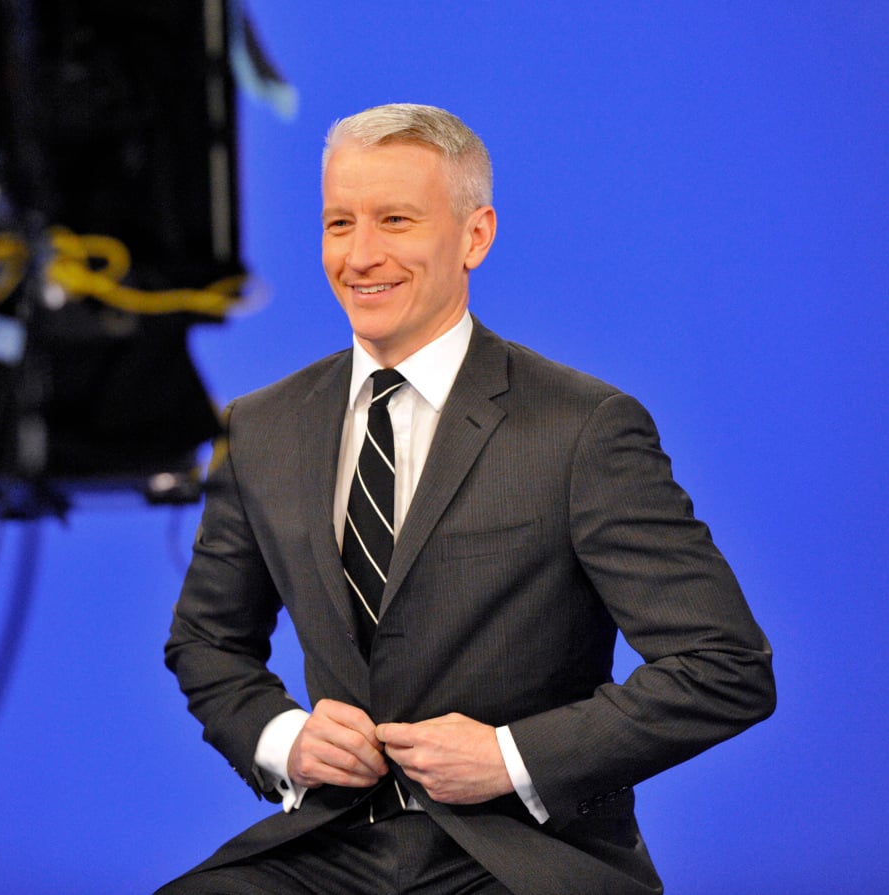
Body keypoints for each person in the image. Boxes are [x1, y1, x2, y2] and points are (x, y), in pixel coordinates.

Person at [157, 103, 775, 895]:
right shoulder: (261, 427)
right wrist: (285, 739)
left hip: (522, 853)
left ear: (475, 236)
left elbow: (724, 665)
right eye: (340, 223)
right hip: (328, 841)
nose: (361, 254)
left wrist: (508, 756)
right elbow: (206, 640)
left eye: (396, 220)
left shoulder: (584, 428)